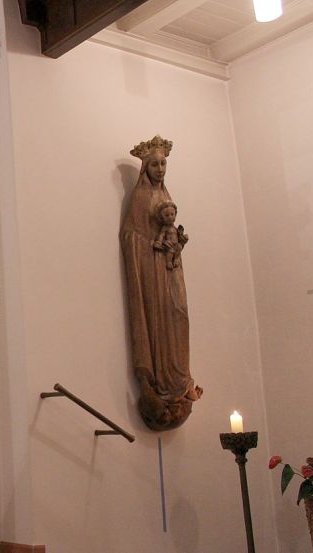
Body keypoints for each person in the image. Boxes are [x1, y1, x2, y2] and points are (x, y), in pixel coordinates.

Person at [121, 136, 202, 431]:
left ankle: (181, 381)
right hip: (152, 274)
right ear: (145, 167)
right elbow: (130, 236)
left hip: (171, 272)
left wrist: (176, 245)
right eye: (154, 163)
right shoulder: (141, 198)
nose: (160, 168)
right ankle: (162, 382)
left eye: (163, 163)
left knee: (179, 315)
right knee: (161, 324)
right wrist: (151, 250)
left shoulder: (165, 196)